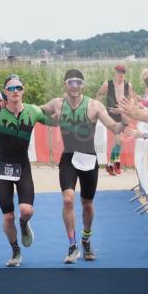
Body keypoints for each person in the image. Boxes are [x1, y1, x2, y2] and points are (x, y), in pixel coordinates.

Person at [40, 69, 124, 264]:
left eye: (78, 82)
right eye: (71, 82)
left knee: (87, 204)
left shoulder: (94, 106)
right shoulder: (57, 104)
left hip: (88, 159)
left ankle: (86, 239)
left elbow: (113, 127)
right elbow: (36, 111)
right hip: (68, 158)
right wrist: (14, 104)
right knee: (68, 200)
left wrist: (126, 119)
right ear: (65, 84)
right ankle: (72, 245)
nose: (75, 86)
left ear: (83, 85)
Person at [0, 74, 56, 267]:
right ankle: (15, 251)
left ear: (23, 90)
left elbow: (56, 121)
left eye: (18, 87)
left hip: (23, 167)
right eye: (11, 88)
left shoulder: (33, 111)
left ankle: (24, 224)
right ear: (5, 93)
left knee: (26, 210)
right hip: (3, 169)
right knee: (8, 216)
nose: (15, 91)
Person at [95, 65, 134, 175]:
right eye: (119, 72)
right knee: (120, 139)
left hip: (123, 114)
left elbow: (132, 98)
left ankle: (114, 164)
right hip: (112, 114)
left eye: (123, 72)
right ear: (115, 72)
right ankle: (112, 164)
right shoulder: (108, 84)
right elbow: (98, 95)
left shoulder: (128, 85)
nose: (121, 75)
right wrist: (100, 110)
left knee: (120, 141)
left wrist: (128, 107)